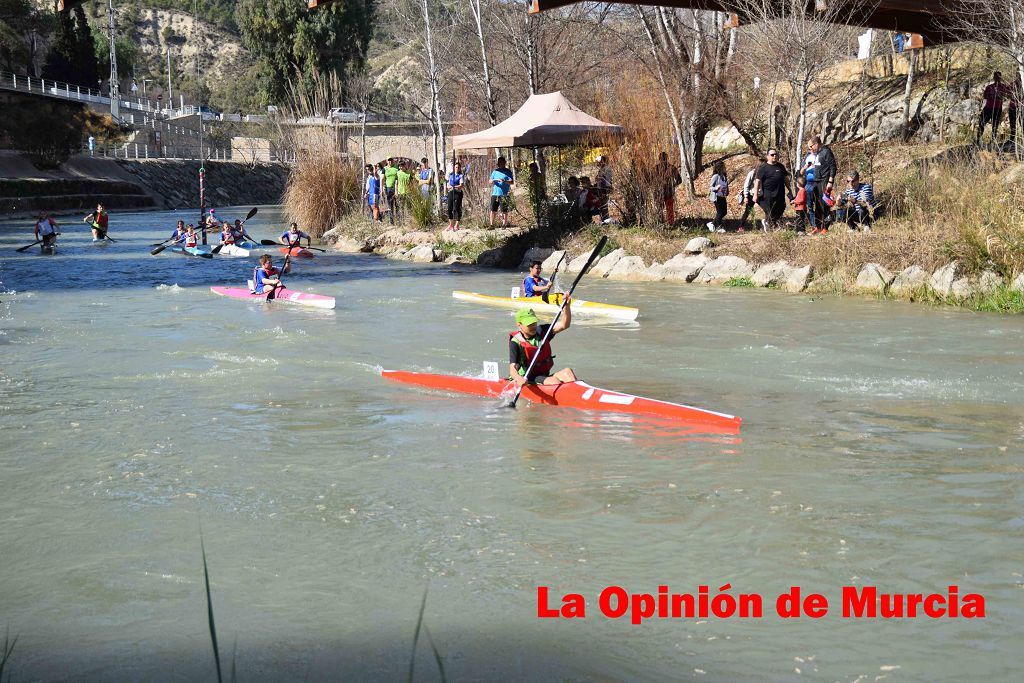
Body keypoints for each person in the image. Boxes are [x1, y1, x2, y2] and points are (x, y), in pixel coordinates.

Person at [509, 305, 576, 388]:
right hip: (527, 377)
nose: (533, 326)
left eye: (534, 322)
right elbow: (513, 368)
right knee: (554, 381)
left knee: (568, 372)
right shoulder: (516, 342)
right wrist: (519, 379)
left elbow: (564, 325)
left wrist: (566, 306)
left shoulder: (542, 331)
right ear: (519, 325)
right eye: (529, 324)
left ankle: (580, 395)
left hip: (543, 375)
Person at [751, 149, 792, 231]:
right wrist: (755, 194)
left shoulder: (780, 166)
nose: (775, 156)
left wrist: (790, 190)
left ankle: (767, 223)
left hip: (780, 193)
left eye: (776, 154)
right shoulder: (763, 168)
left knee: (781, 208)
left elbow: (785, 179)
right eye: (772, 155)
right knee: (770, 211)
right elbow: (757, 181)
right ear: (767, 156)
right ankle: (772, 226)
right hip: (768, 194)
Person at [808, 136, 836, 229]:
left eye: (811, 147)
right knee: (817, 204)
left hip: (824, 181)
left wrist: (830, 181)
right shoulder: (818, 153)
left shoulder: (826, 152)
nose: (810, 149)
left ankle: (825, 227)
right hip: (816, 182)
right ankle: (818, 227)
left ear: (816, 144)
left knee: (824, 204)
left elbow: (833, 167)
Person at [977, 71, 1005, 145]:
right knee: (981, 123)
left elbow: (1006, 96)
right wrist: (992, 96)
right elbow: (985, 96)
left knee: (995, 125)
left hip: (997, 108)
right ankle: (978, 140)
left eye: (999, 77)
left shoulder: (1003, 87)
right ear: (994, 77)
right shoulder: (989, 87)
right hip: (988, 107)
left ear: (1001, 78)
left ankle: (992, 141)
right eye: (996, 77)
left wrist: (999, 96)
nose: (997, 78)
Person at [655, 151, 681, 225]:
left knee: (659, 209)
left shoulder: (656, 168)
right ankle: (670, 223)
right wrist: (672, 185)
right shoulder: (672, 167)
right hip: (668, 191)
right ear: (667, 158)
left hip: (659, 191)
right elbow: (679, 180)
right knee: (669, 209)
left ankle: (660, 223)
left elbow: (650, 180)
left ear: (659, 159)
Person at [489, 156, 514, 227]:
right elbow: (490, 181)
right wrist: (493, 180)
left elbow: (511, 182)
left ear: (505, 163)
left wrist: (504, 181)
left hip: (504, 194)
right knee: (492, 210)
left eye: (503, 162)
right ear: (498, 163)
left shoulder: (508, 171)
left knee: (504, 210)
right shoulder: (495, 171)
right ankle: (491, 224)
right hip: (495, 193)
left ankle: (504, 224)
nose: (501, 164)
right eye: (500, 162)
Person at [707, 160, 729, 233]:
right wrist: (716, 188)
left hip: (722, 196)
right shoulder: (715, 176)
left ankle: (712, 224)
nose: (725, 168)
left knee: (724, 212)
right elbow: (710, 187)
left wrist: (727, 191)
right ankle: (719, 228)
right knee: (719, 212)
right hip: (717, 197)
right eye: (723, 167)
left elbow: (726, 185)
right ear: (719, 168)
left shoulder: (724, 176)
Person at [736, 163, 758, 232]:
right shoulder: (752, 173)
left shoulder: (764, 173)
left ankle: (770, 224)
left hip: (761, 195)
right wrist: (746, 196)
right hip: (751, 194)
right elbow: (746, 185)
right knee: (748, 211)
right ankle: (741, 227)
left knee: (768, 208)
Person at [446, 161, 465, 231]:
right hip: (451, 193)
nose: (457, 168)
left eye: (458, 167)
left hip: (458, 193)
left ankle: (457, 225)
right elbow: (448, 185)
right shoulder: (451, 175)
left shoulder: (461, 176)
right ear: (454, 168)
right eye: (456, 167)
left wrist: (454, 187)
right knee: (449, 208)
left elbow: (461, 185)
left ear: (460, 168)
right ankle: (451, 225)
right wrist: (450, 187)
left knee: (457, 208)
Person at [595, 155, 613, 222]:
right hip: (600, 189)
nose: (598, 163)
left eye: (600, 161)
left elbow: (607, 180)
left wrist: (605, 190)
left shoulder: (607, 169)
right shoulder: (601, 169)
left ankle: (606, 219)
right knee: (601, 205)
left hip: (604, 189)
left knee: (604, 205)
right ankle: (604, 219)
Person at [1007, 74, 1021, 148]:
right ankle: (1012, 140)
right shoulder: (1013, 83)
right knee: (1012, 124)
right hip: (1013, 106)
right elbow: (1007, 94)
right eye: (1017, 74)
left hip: (1021, 107)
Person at [383, 158, 399, 225]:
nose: (390, 161)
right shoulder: (385, 169)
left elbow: (398, 177)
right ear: (386, 161)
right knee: (390, 205)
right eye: (388, 160)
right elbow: (382, 178)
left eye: (391, 160)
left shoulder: (396, 168)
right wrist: (383, 188)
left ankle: (399, 220)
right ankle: (391, 221)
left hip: (396, 188)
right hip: (388, 188)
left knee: (397, 205)